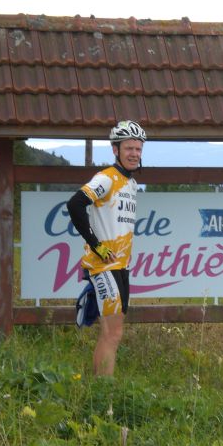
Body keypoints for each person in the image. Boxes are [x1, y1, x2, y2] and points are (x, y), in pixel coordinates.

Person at [67, 120, 145, 376]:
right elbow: (75, 204)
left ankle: (102, 389)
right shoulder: (107, 178)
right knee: (112, 333)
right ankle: (103, 394)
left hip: (121, 266)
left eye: (138, 148)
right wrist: (96, 245)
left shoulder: (131, 184)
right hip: (103, 265)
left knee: (114, 332)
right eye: (129, 148)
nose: (134, 153)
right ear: (116, 150)